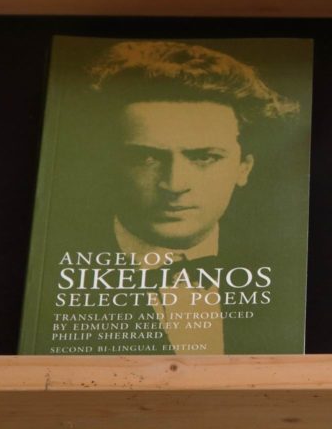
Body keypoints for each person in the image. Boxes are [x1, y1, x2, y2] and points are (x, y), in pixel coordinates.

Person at [86, 40, 299, 353]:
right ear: (110, 165)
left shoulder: (288, 273)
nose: (174, 184)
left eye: (205, 157)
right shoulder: (53, 276)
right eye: (146, 158)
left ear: (244, 168)